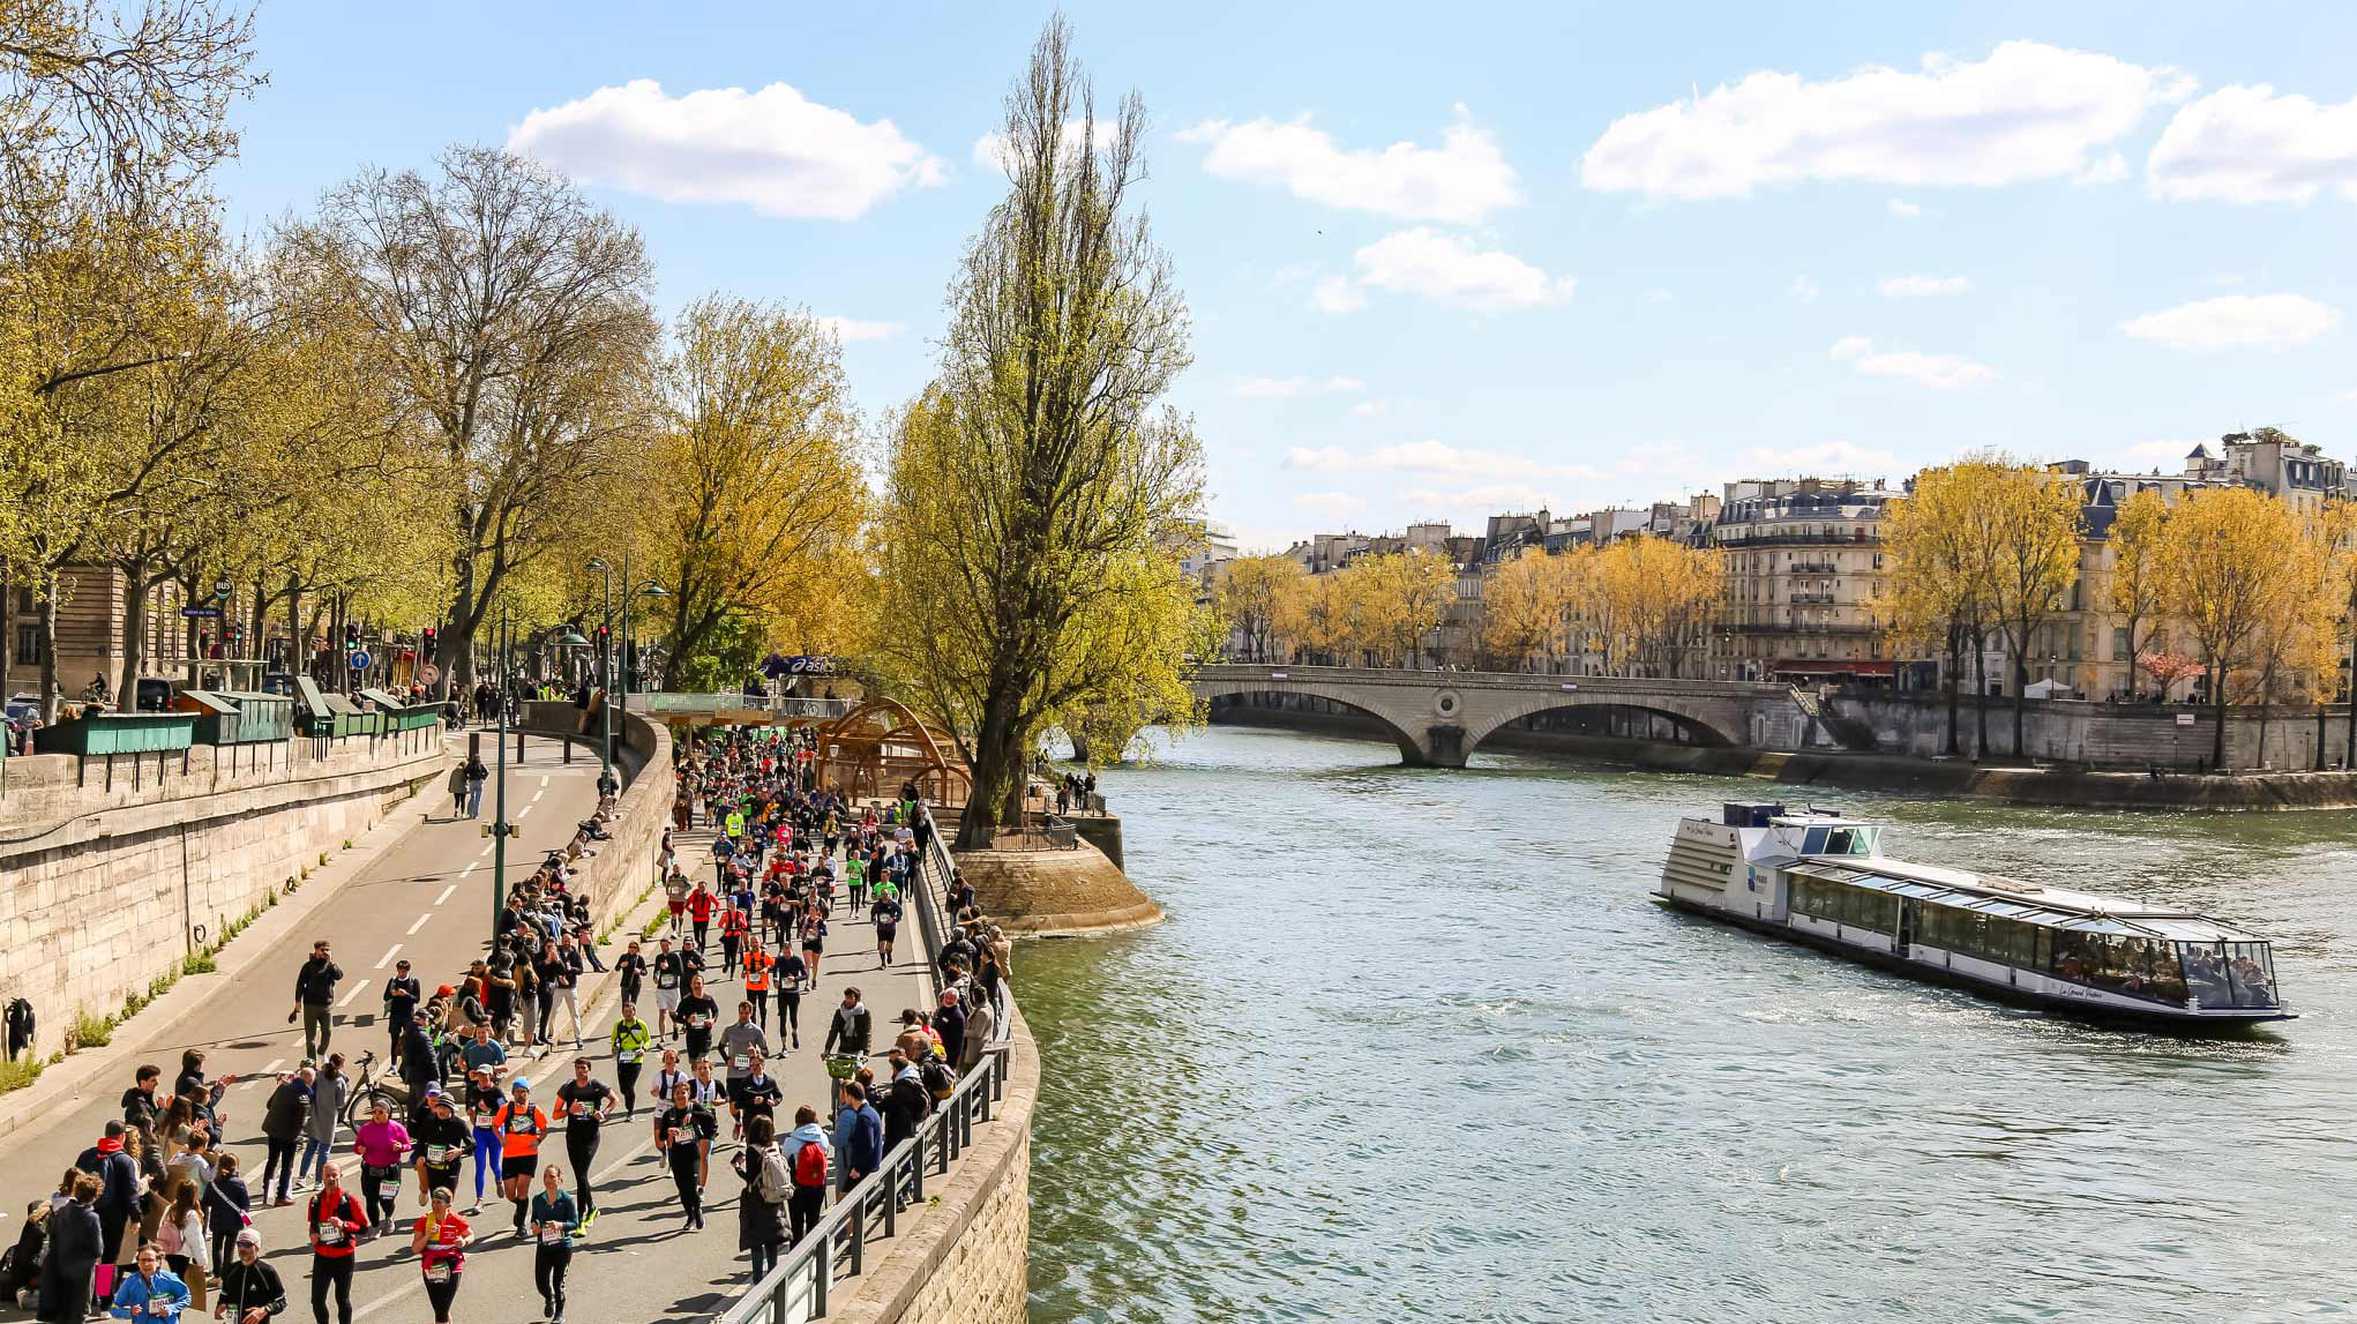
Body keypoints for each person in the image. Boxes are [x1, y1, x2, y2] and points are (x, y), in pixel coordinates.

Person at [84, 1121, 139, 1309]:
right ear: (122, 1136)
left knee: (90, 1256)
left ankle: (88, 1299)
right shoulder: (124, 1160)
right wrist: (136, 1217)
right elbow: (131, 1192)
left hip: (89, 1213)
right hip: (115, 1216)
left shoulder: (88, 1155)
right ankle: (104, 1303)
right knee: (109, 1260)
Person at [304, 1162, 366, 1324]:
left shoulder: (349, 1200)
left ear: (340, 1176)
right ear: (322, 1178)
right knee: (317, 1300)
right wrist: (313, 1235)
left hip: (343, 1257)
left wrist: (344, 1225)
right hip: (322, 1257)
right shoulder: (315, 1201)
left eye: (334, 1175)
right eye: (327, 1176)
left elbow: (364, 1228)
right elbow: (313, 1225)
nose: (331, 1179)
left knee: (342, 1299)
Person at [554, 1059, 613, 1225]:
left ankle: (580, 1217)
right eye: (578, 1068)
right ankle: (592, 1207)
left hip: (591, 1137)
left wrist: (604, 1112)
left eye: (584, 1068)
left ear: (589, 1070)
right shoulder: (568, 1088)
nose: (581, 1071)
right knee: (580, 1177)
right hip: (573, 1137)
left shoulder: (596, 1086)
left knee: (581, 1176)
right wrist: (569, 1111)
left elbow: (615, 1099)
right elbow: (555, 1114)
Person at [38, 1174, 102, 1324]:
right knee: (111, 1265)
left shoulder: (62, 1211)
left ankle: (103, 1301)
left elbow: (53, 1235)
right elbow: (97, 1249)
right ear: (95, 1195)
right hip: (82, 1269)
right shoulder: (92, 1217)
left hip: (60, 1264)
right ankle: (104, 1302)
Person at [731, 1114, 786, 1281]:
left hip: (756, 1198)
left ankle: (757, 1279)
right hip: (774, 1196)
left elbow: (751, 1178)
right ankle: (773, 1275)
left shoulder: (752, 1149)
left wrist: (737, 1167)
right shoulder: (775, 1147)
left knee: (756, 1240)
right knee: (771, 1239)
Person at [491, 1080, 549, 1238]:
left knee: (522, 1189)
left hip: (528, 1156)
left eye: (523, 1091)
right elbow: (495, 1125)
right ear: (513, 1093)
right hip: (510, 1156)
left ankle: (521, 1226)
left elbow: (544, 1129)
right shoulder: (506, 1109)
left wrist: (538, 1141)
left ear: (528, 1093)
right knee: (510, 1193)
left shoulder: (534, 1109)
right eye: (517, 1091)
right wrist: (501, 1138)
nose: (520, 1094)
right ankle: (521, 1207)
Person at [654, 1081, 714, 1231]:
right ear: (674, 1096)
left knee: (692, 1186)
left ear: (689, 1094)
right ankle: (690, 1216)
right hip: (676, 1154)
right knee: (682, 1189)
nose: (681, 1096)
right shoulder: (669, 1114)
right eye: (678, 1093)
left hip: (693, 1153)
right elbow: (660, 1136)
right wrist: (668, 1132)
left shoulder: (694, 1108)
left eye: (683, 1092)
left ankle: (698, 1210)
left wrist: (693, 1114)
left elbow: (710, 1118)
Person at [409, 1188, 470, 1324]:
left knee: (442, 1309)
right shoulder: (424, 1220)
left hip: (452, 1263)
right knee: (439, 1307)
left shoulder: (455, 1219)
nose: (435, 1206)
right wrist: (428, 1236)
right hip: (431, 1264)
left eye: (439, 1203)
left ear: (448, 1204)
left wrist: (464, 1241)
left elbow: (470, 1234)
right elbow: (415, 1248)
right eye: (433, 1202)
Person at [529, 1166, 580, 1324]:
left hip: (562, 1248)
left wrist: (560, 1225)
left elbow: (575, 1223)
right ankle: (548, 1298)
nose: (548, 1180)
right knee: (541, 1283)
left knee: (558, 1283)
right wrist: (535, 1226)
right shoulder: (538, 1199)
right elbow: (535, 1218)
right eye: (546, 1177)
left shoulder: (567, 1199)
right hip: (544, 1247)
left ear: (559, 1179)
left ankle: (559, 1314)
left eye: (552, 1177)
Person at [351, 1101, 410, 1232]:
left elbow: (408, 1145)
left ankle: (388, 1217)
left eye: (380, 1112)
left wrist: (401, 1147)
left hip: (390, 1169)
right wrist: (360, 1149)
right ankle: (375, 1225)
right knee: (371, 1199)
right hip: (370, 1169)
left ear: (388, 1114)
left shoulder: (397, 1127)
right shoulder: (366, 1128)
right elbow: (356, 1146)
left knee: (387, 1199)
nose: (376, 1115)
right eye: (374, 1112)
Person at [410, 1091, 469, 1214]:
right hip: (433, 1167)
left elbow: (473, 1145)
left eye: (445, 1108)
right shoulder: (429, 1122)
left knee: (446, 1200)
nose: (441, 1111)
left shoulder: (459, 1124)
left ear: (451, 1110)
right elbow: (420, 1142)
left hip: (451, 1168)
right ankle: (437, 1227)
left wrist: (460, 1151)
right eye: (439, 1107)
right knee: (436, 1200)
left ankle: (444, 1226)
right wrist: (420, 1155)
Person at [211, 1228, 286, 1324]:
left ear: (257, 1247)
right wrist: (221, 1304)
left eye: (247, 1245)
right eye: (239, 1244)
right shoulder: (231, 1269)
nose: (242, 1249)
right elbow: (225, 1292)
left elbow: (281, 1301)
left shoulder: (267, 1271)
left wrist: (264, 1310)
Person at [782, 1105, 832, 1245]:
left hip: (798, 1186)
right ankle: (814, 1253)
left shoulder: (791, 1141)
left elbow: (785, 1160)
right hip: (818, 1185)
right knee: (813, 1220)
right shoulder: (822, 1138)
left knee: (796, 1223)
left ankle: (796, 1256)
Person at [298, 1057, 347, 1194]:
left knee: (310, 1148)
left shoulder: (319, 1076)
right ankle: (318, 1181)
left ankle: (302, 1177)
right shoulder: (339, 1081)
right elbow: (340, 1103)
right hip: (329, 1120)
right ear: (340, 1065)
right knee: (324, 1151)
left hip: (315, 1115)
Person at [110, 1243, 191, 1321]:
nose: (146, 1264)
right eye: (142, 1260)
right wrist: (129, 1312)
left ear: (158, 1262)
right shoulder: (131, 1281)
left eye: (150, 1260)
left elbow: (186, 1298)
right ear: (138, 1263)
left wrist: (171, 1308)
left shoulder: (170, 1279)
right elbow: (114, 1308)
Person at [291, 942, 343, 1062]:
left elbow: (339, 976)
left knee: (327, 1032)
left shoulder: (330, 966)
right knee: (310, 1038)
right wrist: (298, 1002)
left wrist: (331, 962)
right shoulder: (308, 966)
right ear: (316, 951)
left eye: (327, 950)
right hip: (310, 1005)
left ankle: (321, 1051)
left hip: (326, 1005)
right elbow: (300, 984)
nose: (325, 952)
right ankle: (311, 1062)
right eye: (322, 950)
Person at [832, 1083, 883, 1195]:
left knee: (843, 1198)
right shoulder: (871, 1112)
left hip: (863, 1168)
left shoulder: (863, 1117)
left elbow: (866, 1145)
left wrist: (857, 1169)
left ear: (850, 1097)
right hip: (873, 1164)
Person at [202, 1152, 250, 1270]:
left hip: (217, 1220)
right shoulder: (239, 1183)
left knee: (216, 1247)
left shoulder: (213, 1184)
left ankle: (217, 1273)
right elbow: (245, 1204)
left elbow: (206, 1202)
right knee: (230, 1248)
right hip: (234, 1221)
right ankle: (227, 1272)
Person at [610, 1002, 652, 1115]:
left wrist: (644, 1049)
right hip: (622, 1058)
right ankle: (628, 1099)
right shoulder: (618, 1025)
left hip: (636, 1059)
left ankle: (630, 1110)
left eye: (630, 1011)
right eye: (625, 1012)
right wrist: (614, 1047)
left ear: (634, 1012)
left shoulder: (641, 1025)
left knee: (630, 1085)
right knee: (623, 1088)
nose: (628, 1014)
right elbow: (613, 1038)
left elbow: (648, 1039)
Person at [381, 960, 422, 1069]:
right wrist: (393, 994)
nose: (401, 973)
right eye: (399, 971)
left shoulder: (413, 981)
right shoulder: (393, 981)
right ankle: (393, 1065)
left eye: (403, 971)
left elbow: (417, 999)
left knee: (409, 1039)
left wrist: (406, 994)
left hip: (408, 1014)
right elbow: (385, 997)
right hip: (395, 1014)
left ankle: (408, 1063)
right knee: (394, 1040)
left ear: (408, 971)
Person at [675, 976, 719, 1064]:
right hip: (692, 1037)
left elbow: (716, 1011)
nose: (696, 985)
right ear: (691, 985)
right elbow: (677, 1017)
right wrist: (687, 1020)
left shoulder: (708, 999)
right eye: (694, 983)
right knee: (694, 1064)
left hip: (705, 1036)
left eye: (698, 983)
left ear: (703, 985)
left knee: (702, 1061)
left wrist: (712, 1020)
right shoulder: (686, 1001)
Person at [651, 938, 687, 1039]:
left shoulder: (675, 956)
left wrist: (668, 967)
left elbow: (680, 972)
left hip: (673, 988)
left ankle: (675, 1025)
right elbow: (656, 970)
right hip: (661, 989)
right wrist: (655, 977)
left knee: (672, 1012)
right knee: (662, 1012)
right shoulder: (659, 957)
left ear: (670, 945)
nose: (664, 948)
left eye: (666, 946)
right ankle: (662, 1037)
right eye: (662, 946)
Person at [823, 987, 871, 1060]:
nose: (848, 1000)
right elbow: (833, 1031)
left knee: (858, 1069)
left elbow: (867, 1033)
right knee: (837, 1069)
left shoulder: (864, 1013)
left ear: (856, 999)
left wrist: (866, 1053)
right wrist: (827, 1050)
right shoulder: (839, 1013)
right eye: (846, 997)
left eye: (851, 998)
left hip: (858, 1050)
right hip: (844, 1048)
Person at [463, 753, 489, 818]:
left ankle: (470, 813)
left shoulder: (470, 765)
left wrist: (467, 778)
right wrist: (483, 778)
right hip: (479, 782)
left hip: (472, 782)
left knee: (472, 798)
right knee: (478, 799)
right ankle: (475, 814)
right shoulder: (481, 765)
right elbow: (487, 772)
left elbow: (465, 771)